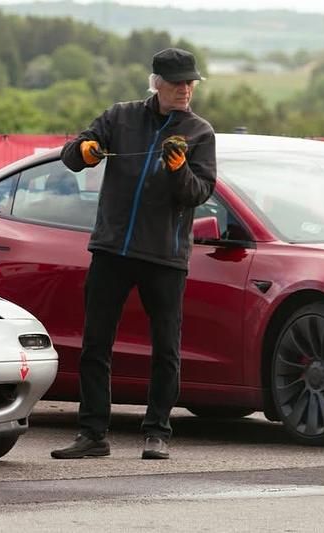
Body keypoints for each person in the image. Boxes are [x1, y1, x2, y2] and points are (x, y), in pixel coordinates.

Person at [50, 47, 217, 460]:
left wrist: (179, 169)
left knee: (165, 349)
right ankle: (92, 435)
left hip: (165, 256)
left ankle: (157, 432)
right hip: (112, 249)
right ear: (156, 82)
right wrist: (85, 150)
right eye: (177, 82)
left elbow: (200, 193)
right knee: (95, 346)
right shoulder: (120, 116)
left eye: (190, 82)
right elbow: (72, 155)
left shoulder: (200, 133)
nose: (185, 89)